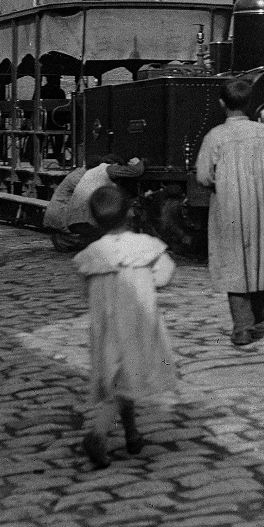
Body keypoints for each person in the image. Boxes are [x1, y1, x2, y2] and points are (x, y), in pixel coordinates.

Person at [72, 184, 176, 470]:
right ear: (129, 212)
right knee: (125, 382)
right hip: (137, 323)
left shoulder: (92, 253)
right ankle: (98, 435)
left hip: (105, 326)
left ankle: (132, 433)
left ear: (94, 219)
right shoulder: (146, 246)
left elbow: (85, 290)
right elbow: (165, 274)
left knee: (118, 378)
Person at [195, 77, 264, 346]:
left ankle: (242, 327)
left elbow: (203, 176)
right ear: (250, 103)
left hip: (229, 206)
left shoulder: (216, 136)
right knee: (259, 256)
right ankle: (256, 311)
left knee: (234, 260)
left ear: (222, 103)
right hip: (262, 206)